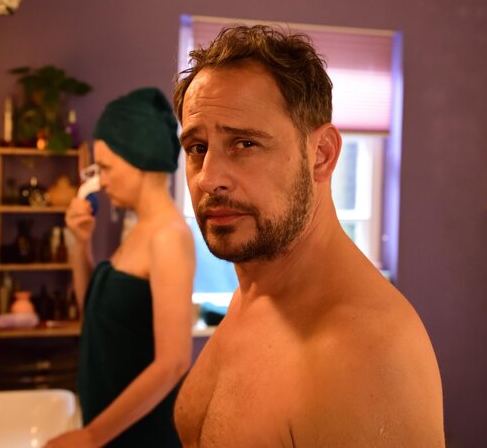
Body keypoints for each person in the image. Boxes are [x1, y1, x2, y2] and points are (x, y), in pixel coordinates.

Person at [172, 25, 445, 446]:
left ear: (322, 155)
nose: (208, 179)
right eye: (197, 148)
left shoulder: (366, 352)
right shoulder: (256, 288)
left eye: (244, 144)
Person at [45, 87, 196, 448]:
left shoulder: (168, 237)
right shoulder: (139, 228)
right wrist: (80, 243)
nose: (101, 181)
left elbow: (174, 362)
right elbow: (95, 313)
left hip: (141, 436)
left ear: (138, 159)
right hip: (113, 430)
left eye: (106, 168)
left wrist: (91, 436)